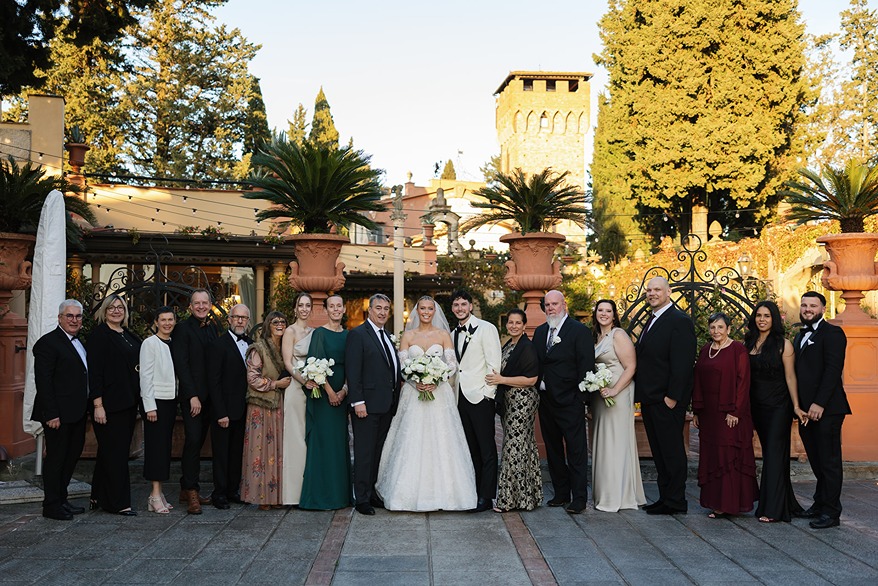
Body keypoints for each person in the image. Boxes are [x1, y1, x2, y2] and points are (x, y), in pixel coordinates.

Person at [376, 295, 476, 512]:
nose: (426, 312)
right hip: (414, 395)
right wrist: (415, 382)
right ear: (417, 311)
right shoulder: (408, 335)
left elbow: (452, 365)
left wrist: (436, 379)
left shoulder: (443, 335)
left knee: (441, 440)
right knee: (412, 440)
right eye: (422, 308)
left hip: (438, 395)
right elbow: (402, 367)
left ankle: (448, 495)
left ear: (434, 311)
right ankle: (405, 495)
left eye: (430, 309)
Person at [634, 277, 697, 515]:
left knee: (671, 451)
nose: (652, 293)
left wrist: (672, 397)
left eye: (657, 290)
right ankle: (665, 497)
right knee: (659, 452)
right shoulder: (652, 320)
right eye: (649, 290)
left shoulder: (679, 321)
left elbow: (682, 364)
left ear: (668, 292)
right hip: (651, 399)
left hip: (667, 401)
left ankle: (676, 500)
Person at [792, 291, 851, 529]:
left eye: (812, 305)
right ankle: (819, 503)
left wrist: (820, 403)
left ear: (822, 309)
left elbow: (832, 370)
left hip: (828, 409)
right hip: (806, 412)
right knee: (816, 460)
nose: (807, 309)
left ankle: (831, 512)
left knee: (829, 461)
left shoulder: (833, 333)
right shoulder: (799, 336)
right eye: (804, 305)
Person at [744, 301, 806, 523]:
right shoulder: (748, 342)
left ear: (774, 319)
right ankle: (785, 501)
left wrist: (797, 406)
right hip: (757, 406)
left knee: (774, 454)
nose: (762, 319)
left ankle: (773, 509)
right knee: (772, 454)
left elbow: (791, 377)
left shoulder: (783, 344)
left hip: (779, 406)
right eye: (759, 315)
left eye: (767, 316)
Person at [533, 290, 594, 514]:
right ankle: (561, 493)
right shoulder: (540, 332)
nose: (550, 308)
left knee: (576, 450)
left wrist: (581, 399)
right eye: (547, 305)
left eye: (554, 304)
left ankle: (579, 498)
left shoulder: (579, 331)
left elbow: (586, 366)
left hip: (570, 400)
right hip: (546, 399)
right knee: (553, 448)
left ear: (564, 305)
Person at [692, 312, 758, 518]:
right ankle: (715, 501)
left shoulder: (738, 350)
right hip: (709, 413)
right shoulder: (705, 350)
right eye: (712, 327)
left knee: (728, 456)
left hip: (730, 412)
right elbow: (697, 382)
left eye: (720, 327)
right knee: (712, 456)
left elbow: (743, 382)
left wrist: (735, 411)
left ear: (729, 329)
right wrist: (697, 410)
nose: (716, 331)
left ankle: (729, 503)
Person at [32, 299, 90, 520]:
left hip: (76, 412)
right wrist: (51, 413)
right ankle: (51, 505)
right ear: (60, 318)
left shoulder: (78, 342)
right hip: (57, 414)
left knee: (71, 457)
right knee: (56, 459)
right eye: (69, 316)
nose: (74, 320)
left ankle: (62, 499)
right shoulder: (47, 343)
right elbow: (44, 382)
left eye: (77, 316)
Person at [86, 294, 141, 516]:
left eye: (120, 307)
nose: (116, 310)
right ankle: (118, 503)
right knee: (116, 454)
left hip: (127, 402)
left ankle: (97, 495)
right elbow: (94, 372)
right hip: (108, 405)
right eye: (112, 307)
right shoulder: (99, 335)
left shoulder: (127, 334)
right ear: (105, 310)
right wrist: (98, 404)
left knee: (109, 452)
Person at [347, 294, 401, 514]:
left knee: (378, 452)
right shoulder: (358, 335)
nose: (382, 312)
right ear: (369, 310)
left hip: (386, 405)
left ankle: (371, 493)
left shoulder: (387, 336)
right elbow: (353, 371)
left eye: (386, 309)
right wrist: (358, 401)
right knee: (364, 452)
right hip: (366, 406)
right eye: (378, 308)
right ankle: (361, 499)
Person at [590, 299, 646, 512]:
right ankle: (605, 493)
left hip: (618, 394)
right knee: (604, 442)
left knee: (615, 442)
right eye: (600, 310)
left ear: (614, 315)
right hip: (600, 395)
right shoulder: (597, 337)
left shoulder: (618, 335)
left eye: (608, 311)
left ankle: (618, 496)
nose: (604, 314)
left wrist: (614, 390)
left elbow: (631, 367)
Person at [451, 289, 503, 513]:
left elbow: (494, 364)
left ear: (470, 306)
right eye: (456, 305)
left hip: (480, 397)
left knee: (487, 448)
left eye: (463, 304)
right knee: (470, 447)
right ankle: (473, 491)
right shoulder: (453, 332)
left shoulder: (486, 328)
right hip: (459, 398)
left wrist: (487, 395)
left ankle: (486, 496)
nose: (460, 308)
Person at [486, 308, 541, 512]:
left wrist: (502, 380)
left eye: (518, 323)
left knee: (513, 447)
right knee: (521, 446)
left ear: (524, 325)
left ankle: (508, 500)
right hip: (510, 400)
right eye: (510, 322)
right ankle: (528, 497)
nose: (514, 326)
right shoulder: (509, 344)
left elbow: (531, 379)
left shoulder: (527, 347)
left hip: (523, 401)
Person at [299, 295, 351, 510]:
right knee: (323, 443)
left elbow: (352, 366)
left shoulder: (349, 335)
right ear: (327, 310)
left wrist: (345, 390)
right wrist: (331, 392)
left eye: (339, 305)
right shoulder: (319, 334)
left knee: (339, 444)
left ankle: (341, 497)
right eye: (332, 306)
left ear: (344, 308)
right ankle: (320, 497)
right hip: (323, 396)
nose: (336, 309)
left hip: (343, 394)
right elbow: (316, 365)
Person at [171, 288, 219, 513]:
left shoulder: (212, 329)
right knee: (192, 441)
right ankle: (191, 490)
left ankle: (185, 487)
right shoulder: (182, 329)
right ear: (190, 307)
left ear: (210, 305)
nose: (201, 306)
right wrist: (192, 396)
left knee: (198, 443)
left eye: (205, 303)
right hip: (193, 398)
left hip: (210, 398)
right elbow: (182, 365)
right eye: (196, 303)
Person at [241, 311, 292, 509]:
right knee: (260, 452)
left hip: (279, 406)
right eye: (275, 322)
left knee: (278, 451)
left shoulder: (286, 349)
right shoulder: (258, 349)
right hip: (261, 406)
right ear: (268, 326)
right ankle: (261, 497)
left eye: (283, 321)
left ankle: (276, 496)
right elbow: (252, 379)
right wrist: (275, 384)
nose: (280, 324)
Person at [207, 304, 251, 509]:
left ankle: (234, 490)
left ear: (248, 321)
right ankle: (220, 493)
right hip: (224, 411)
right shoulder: (218, 345)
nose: (240, 321)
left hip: (244, 410)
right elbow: (213, 382)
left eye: (244, 318)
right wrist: (220, 412)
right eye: (236, 317)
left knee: (236, 453)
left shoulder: (252, 344)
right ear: (230, 320)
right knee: (222, 453)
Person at [140, 307, 179, 514]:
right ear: (156, 322)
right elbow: (145, 376)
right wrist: (149, 407)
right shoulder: (150, 343)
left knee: (164, 448)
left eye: (170, 319)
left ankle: (159, 493)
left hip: (170, 401)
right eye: (163, 320)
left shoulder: (173, 343)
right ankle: (154, 494)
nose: (167, 323)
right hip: (156, 403)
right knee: (156, 449)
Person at [280, 292, 313, 506]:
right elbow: (288, 363)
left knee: (308, 438)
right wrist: (303, 381)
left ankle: (308, 489)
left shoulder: (315, 332)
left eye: (307, 305)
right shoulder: (289, 331)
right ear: (295, 308)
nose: (304, 308)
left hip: (312, 389)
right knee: (295, 438)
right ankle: (292, 494)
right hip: (295, 387)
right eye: (300, 305)